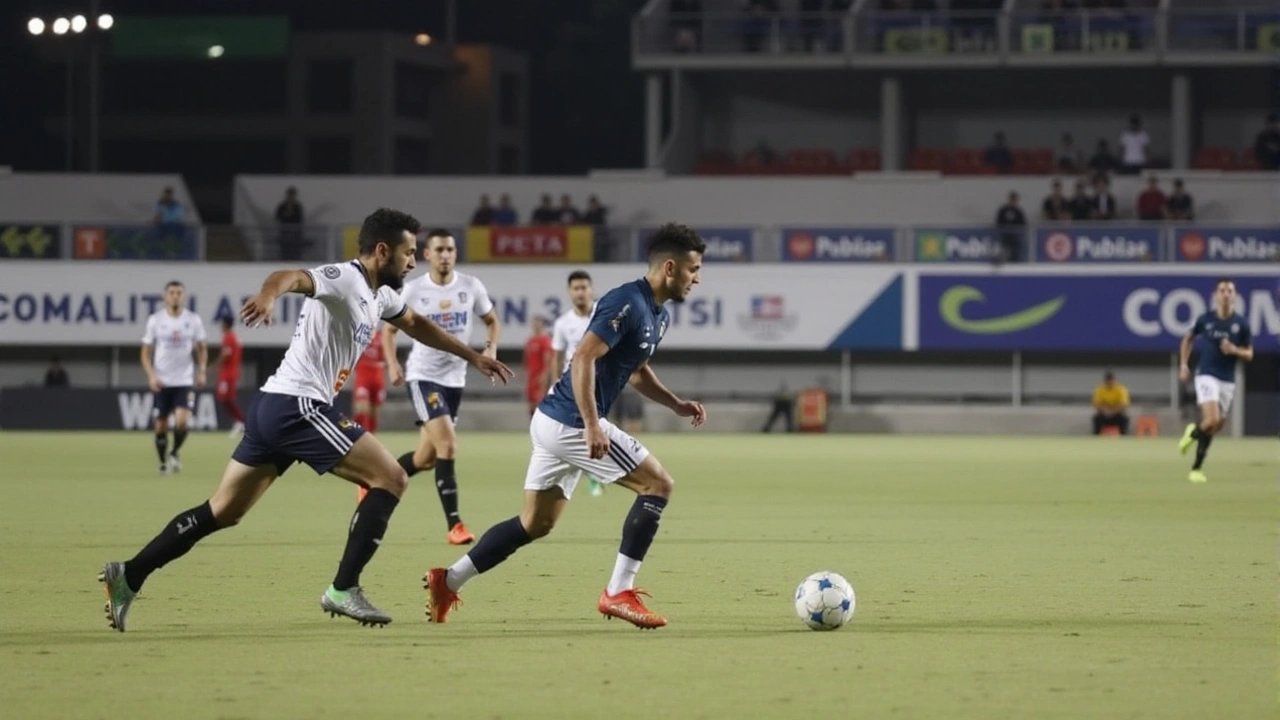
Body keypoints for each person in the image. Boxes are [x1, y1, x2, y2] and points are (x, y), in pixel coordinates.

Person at [99, 208, 513, 632]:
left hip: (273, 407)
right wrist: (268, 296)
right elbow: (291, 277)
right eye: (408, 253)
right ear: (383, 251)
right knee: (391, 478)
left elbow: (417, 324)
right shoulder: (345, 278)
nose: (412, 262)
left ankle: (129, 575)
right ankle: (343, 588)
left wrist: (474, 355)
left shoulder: (381, 294)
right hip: (299, 405)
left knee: (222, 511)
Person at [423, 223, 708, 630]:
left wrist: (676, 403)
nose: (697, 278)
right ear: (669, 267)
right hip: (572, 422)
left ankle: (448, 581)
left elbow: (636, 369)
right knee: (658, 484)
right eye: (693, 269)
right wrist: (594, 424)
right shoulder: (625, 301)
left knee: (534, 524)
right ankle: (617, 592)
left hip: (552, 422)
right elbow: (583, 359)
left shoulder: (657, 315)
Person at [383, 228, 500, 546]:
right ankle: (455, 525)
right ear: (427, 255)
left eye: (450, 249)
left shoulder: (470, 286)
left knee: (426, 458)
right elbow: (389, 331)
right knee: (448, 445)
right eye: (439, 250)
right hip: (423, 376)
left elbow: (492, 320)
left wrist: (490, 349)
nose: (445, 255)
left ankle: (374, 479)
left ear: (455, 253)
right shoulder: (413, 289)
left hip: (455, 380)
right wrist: (393, 364)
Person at [1177, 278, 1253, 484]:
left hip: (1227, 380)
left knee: (1216, 425)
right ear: (1216, 295)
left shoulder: (1241, 324)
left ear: (1235, 296)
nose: (1226, 294)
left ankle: (1196, 464)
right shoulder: (1205, 320)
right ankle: (1195, 450)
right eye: (1222, 290)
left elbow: (1249, 354)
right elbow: (1188, 339)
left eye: (1230, 290)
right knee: (1211, 420)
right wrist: (1184, 364)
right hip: (1206, 374)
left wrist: (1235, 350)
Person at [141, 281, 208, 475]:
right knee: (161, 425)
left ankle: (175, 451)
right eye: (171, 293)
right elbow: (145, 352)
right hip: (162, 380)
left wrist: (202, 370)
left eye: (179, 292)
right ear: (165, 297)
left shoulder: (193, 320)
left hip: (184, 380)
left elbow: (202, 348)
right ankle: (162, 462)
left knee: (182, 422)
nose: (175, 296)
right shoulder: (155, 320)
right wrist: (151, 376)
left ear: (184, 296)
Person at [550, 269, 601, 496]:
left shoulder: (602, 315)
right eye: (576, 288)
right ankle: (592, 475)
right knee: (578, 430)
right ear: (570, 292)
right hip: (573, 385)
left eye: (584, 288)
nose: (581, 293)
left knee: (595, 428)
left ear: (591, 290)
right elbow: (557, 356)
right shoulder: (563, 323)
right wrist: (555, 384)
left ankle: (591, 471)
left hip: (600, 382)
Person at [352, 324, 387, 434]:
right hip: (363, 374)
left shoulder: (382, 336)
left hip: (377, 375)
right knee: (362, 408)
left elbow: (385, 357)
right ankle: (357, 435)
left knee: (375, 411)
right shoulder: (359, 335)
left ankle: (371, 436)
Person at [214, 316, 245, 438]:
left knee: (226, 399)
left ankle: (241, 422)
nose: (220, 326)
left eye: (221, 323)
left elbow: (226, 354)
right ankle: (239, 421)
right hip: (232, 373)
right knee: (225, 399)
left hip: (228, 374)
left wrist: (216, 364)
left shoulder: (228, 337)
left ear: (226, 324)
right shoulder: (235, 337)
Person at [523, 316, 553, 417]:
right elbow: (527, 359)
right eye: (533, 323)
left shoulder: (545, 340)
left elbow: (548, 359)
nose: (534, 326)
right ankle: (532, 428)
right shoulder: (530, 341)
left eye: (537, 323)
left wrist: (545, 375)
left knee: (539, 402)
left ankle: (540, 428)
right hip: (531, 376)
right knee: (531, 403)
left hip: (539, 377)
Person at [994, 191, 1026, 264]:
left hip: (1015, 236)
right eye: (1012, 200)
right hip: (1004, 235)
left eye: (1015, 200)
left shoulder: (1018, 212)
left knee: (1015, 250)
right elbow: (998, 222)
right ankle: (1002, 261)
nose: (1013, 202)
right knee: (1004, 248)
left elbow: (1023, 224)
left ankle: (1015, 262)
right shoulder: (1003, 210)